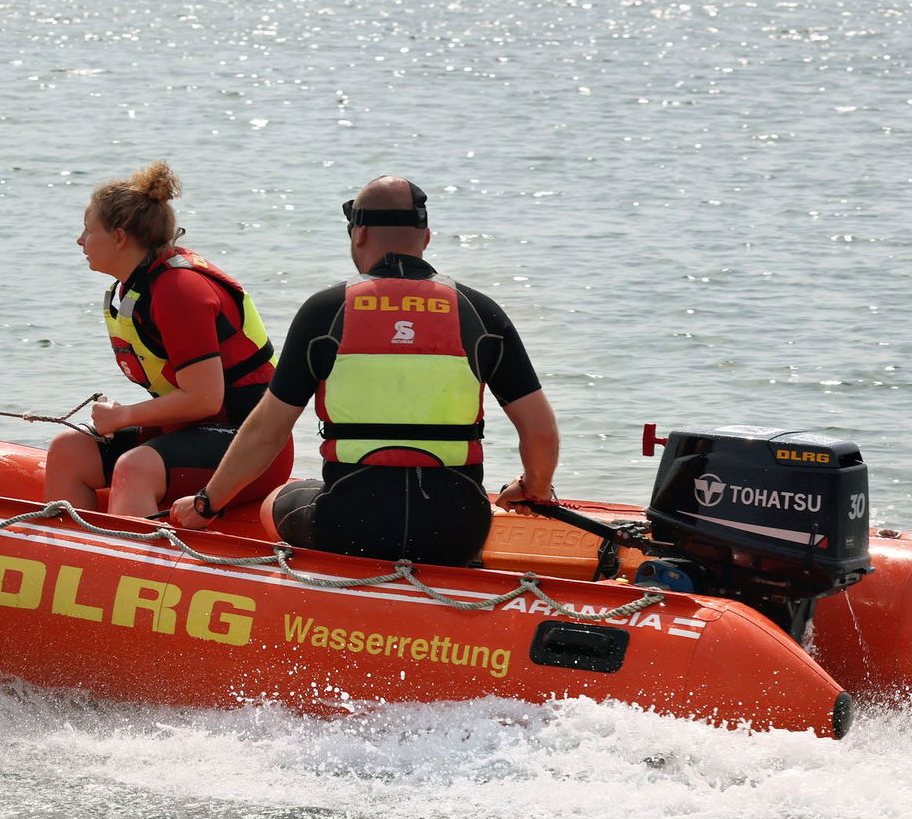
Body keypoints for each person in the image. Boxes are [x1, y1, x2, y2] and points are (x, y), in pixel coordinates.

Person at [170, 175, 559, 566]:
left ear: (359, 234)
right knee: (457, 508)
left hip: (352, 529)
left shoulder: (326, 311)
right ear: (426, 238)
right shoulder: (479, 312)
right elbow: (540, 431)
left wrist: (205, 504)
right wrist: (535, 488)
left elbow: (267, 432)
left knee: (276, 502)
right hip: (456, 533)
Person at [45, 161, 292, 518]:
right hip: (188, 432)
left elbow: (205, 398)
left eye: (88, 229)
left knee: (134, 468)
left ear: (119, 237)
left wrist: (123, 416)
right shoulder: (137, 286)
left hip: (251, 449)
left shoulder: (180, 290)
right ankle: (71, 549)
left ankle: (129, 552)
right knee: (69, 450)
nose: (80, 240)